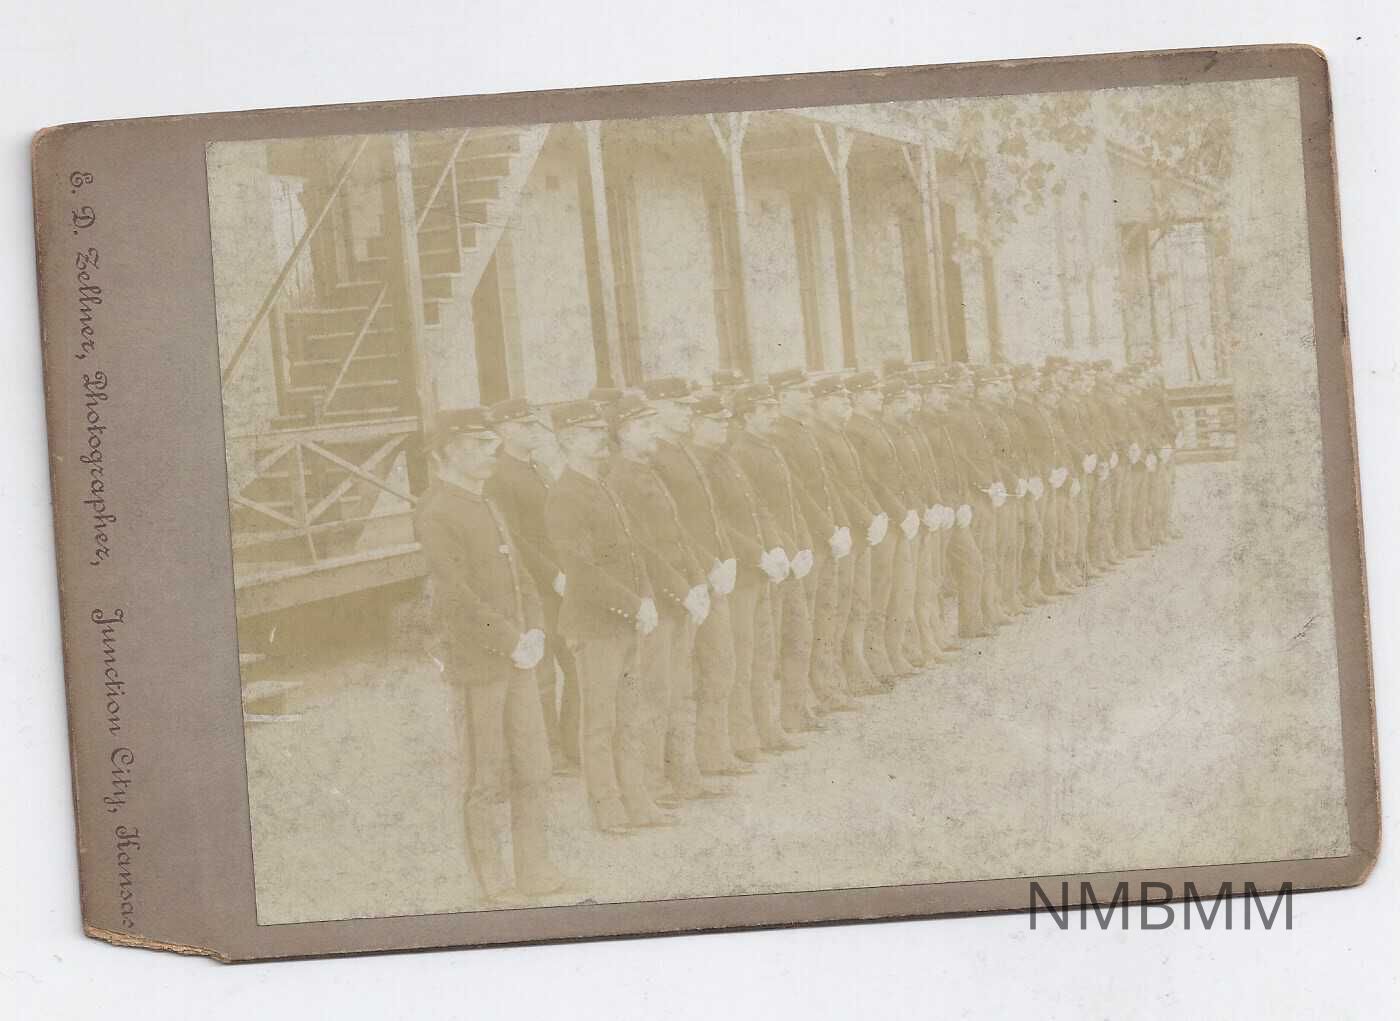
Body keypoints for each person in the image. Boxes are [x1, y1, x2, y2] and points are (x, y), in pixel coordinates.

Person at [414, 407, 565, 904]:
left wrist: (536, 626)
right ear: (446, 453)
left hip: (518, 656)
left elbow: (521, 576)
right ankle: (492, 882)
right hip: (479, 664)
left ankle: (535, 871)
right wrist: (509, 639)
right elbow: (455, 595)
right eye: (476, 444)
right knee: (483, 776)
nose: (490, 451)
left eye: (489, 442)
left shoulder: (486, 503)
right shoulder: (438, 512)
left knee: (534, 766)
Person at [545, 399, 670, 833]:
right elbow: (581, 570)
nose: (601, 438)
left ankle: (637, 799)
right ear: (566, 440)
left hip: (626, 620)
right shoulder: (565, 495)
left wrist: (646, 597)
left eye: (601, 430)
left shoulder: (602, 486)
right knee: (600, 722)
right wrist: (635, 604)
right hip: (596, 626)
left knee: (628, 716)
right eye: (589, 433)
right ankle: (607, 806)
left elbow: (632, 553)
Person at [604, 393, 719, 804]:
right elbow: (643, 548)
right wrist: (681, 589)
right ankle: (651, 783)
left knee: (680, 688)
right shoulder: (620, 479)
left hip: (679, 596)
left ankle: (684, 776)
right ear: (623, 433)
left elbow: (677, 533)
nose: (653, 432)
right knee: (654, 693)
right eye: (644, 426)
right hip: (657, 597)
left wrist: (697, 580)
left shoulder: (647, 471)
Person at [642, 377, 749, 777]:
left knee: (720, 664)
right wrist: (705, 565)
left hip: (708, 572)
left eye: (688, 406)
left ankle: (713, 753)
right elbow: (670, 528)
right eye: (677, 405)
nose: (686, 412)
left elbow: (709, 515)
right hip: (683, 578)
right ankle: (681, 767)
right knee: (681, 680)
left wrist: (726, 556)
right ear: (656, 409)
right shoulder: (655, 458)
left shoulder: (683, 450)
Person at [691, 391, 798, 759]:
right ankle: (741, 737)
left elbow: (757, 508)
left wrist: (776, 546)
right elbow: (717, 522)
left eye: (725, 421)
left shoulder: (726, 457)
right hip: (736, 573)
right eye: (714, 422)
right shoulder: (703, 463)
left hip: (758, 571)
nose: (723, 426)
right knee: (738, 658)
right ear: (695, 424)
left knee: (762, 655)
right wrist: (756, 554)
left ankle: (766, 728)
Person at [485, 396, 580, 772]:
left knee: (575, 666)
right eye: (524, 426)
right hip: (535, 588)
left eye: (535, 425)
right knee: (541, 675)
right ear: (504, 431)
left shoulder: (538, 468)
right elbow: (515, 538)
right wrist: (551, 574)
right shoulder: (499, 476)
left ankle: (572, 744)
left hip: (560, 583)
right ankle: (549, 752)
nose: (534, 432)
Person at [731, 381, 821, 734]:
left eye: (773, 408)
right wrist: (779, 550)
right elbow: (754, 512)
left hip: (790, 556)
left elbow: (791, 502)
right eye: (765, 410)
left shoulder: (769, 447)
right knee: (769, 647)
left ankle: (794, 712)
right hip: (771, 562)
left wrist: (802, 544)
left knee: (799, 635)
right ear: (746, 416)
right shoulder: (742, 452)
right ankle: (767, 723)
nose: (772, 415)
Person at [769, 367, 858, 712]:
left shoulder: (803, 430)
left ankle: (826, 688)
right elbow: (800, 494)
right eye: (800, 392)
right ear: (782, 397)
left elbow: (825, 485)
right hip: (804, 539)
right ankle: (803, 698)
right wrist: (825, 529)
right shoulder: (780, 436)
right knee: (803, 625)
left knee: (826, 616)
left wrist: (839, 525)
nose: (808, 397)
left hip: (823, 537)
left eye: (809, 391)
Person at [810, 375, 888, 694]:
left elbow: (859, 482)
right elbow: (836, 487)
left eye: (846, 397)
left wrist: (875, 514)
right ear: (821, 403)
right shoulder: (820, 436)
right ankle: (834, 679)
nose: (845, 401)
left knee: (859, 603)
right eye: (837, 397)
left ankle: (855, 670)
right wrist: (864, 517)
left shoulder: (839, 433)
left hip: (858, 528)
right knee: (838, 608)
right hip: (844, 529)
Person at [844, 370, 920, 678]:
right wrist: (897, 512)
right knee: (877, 593)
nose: (878, 396)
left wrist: (907, 510)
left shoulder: (875, 426)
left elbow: (897, 474)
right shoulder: (855, 430)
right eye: (872, 392)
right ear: (857, 397)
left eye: (878, 391)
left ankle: (892, 651)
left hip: (895, 517)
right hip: (882, 518)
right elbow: (871, 481)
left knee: (898, 589)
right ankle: (874, 658)